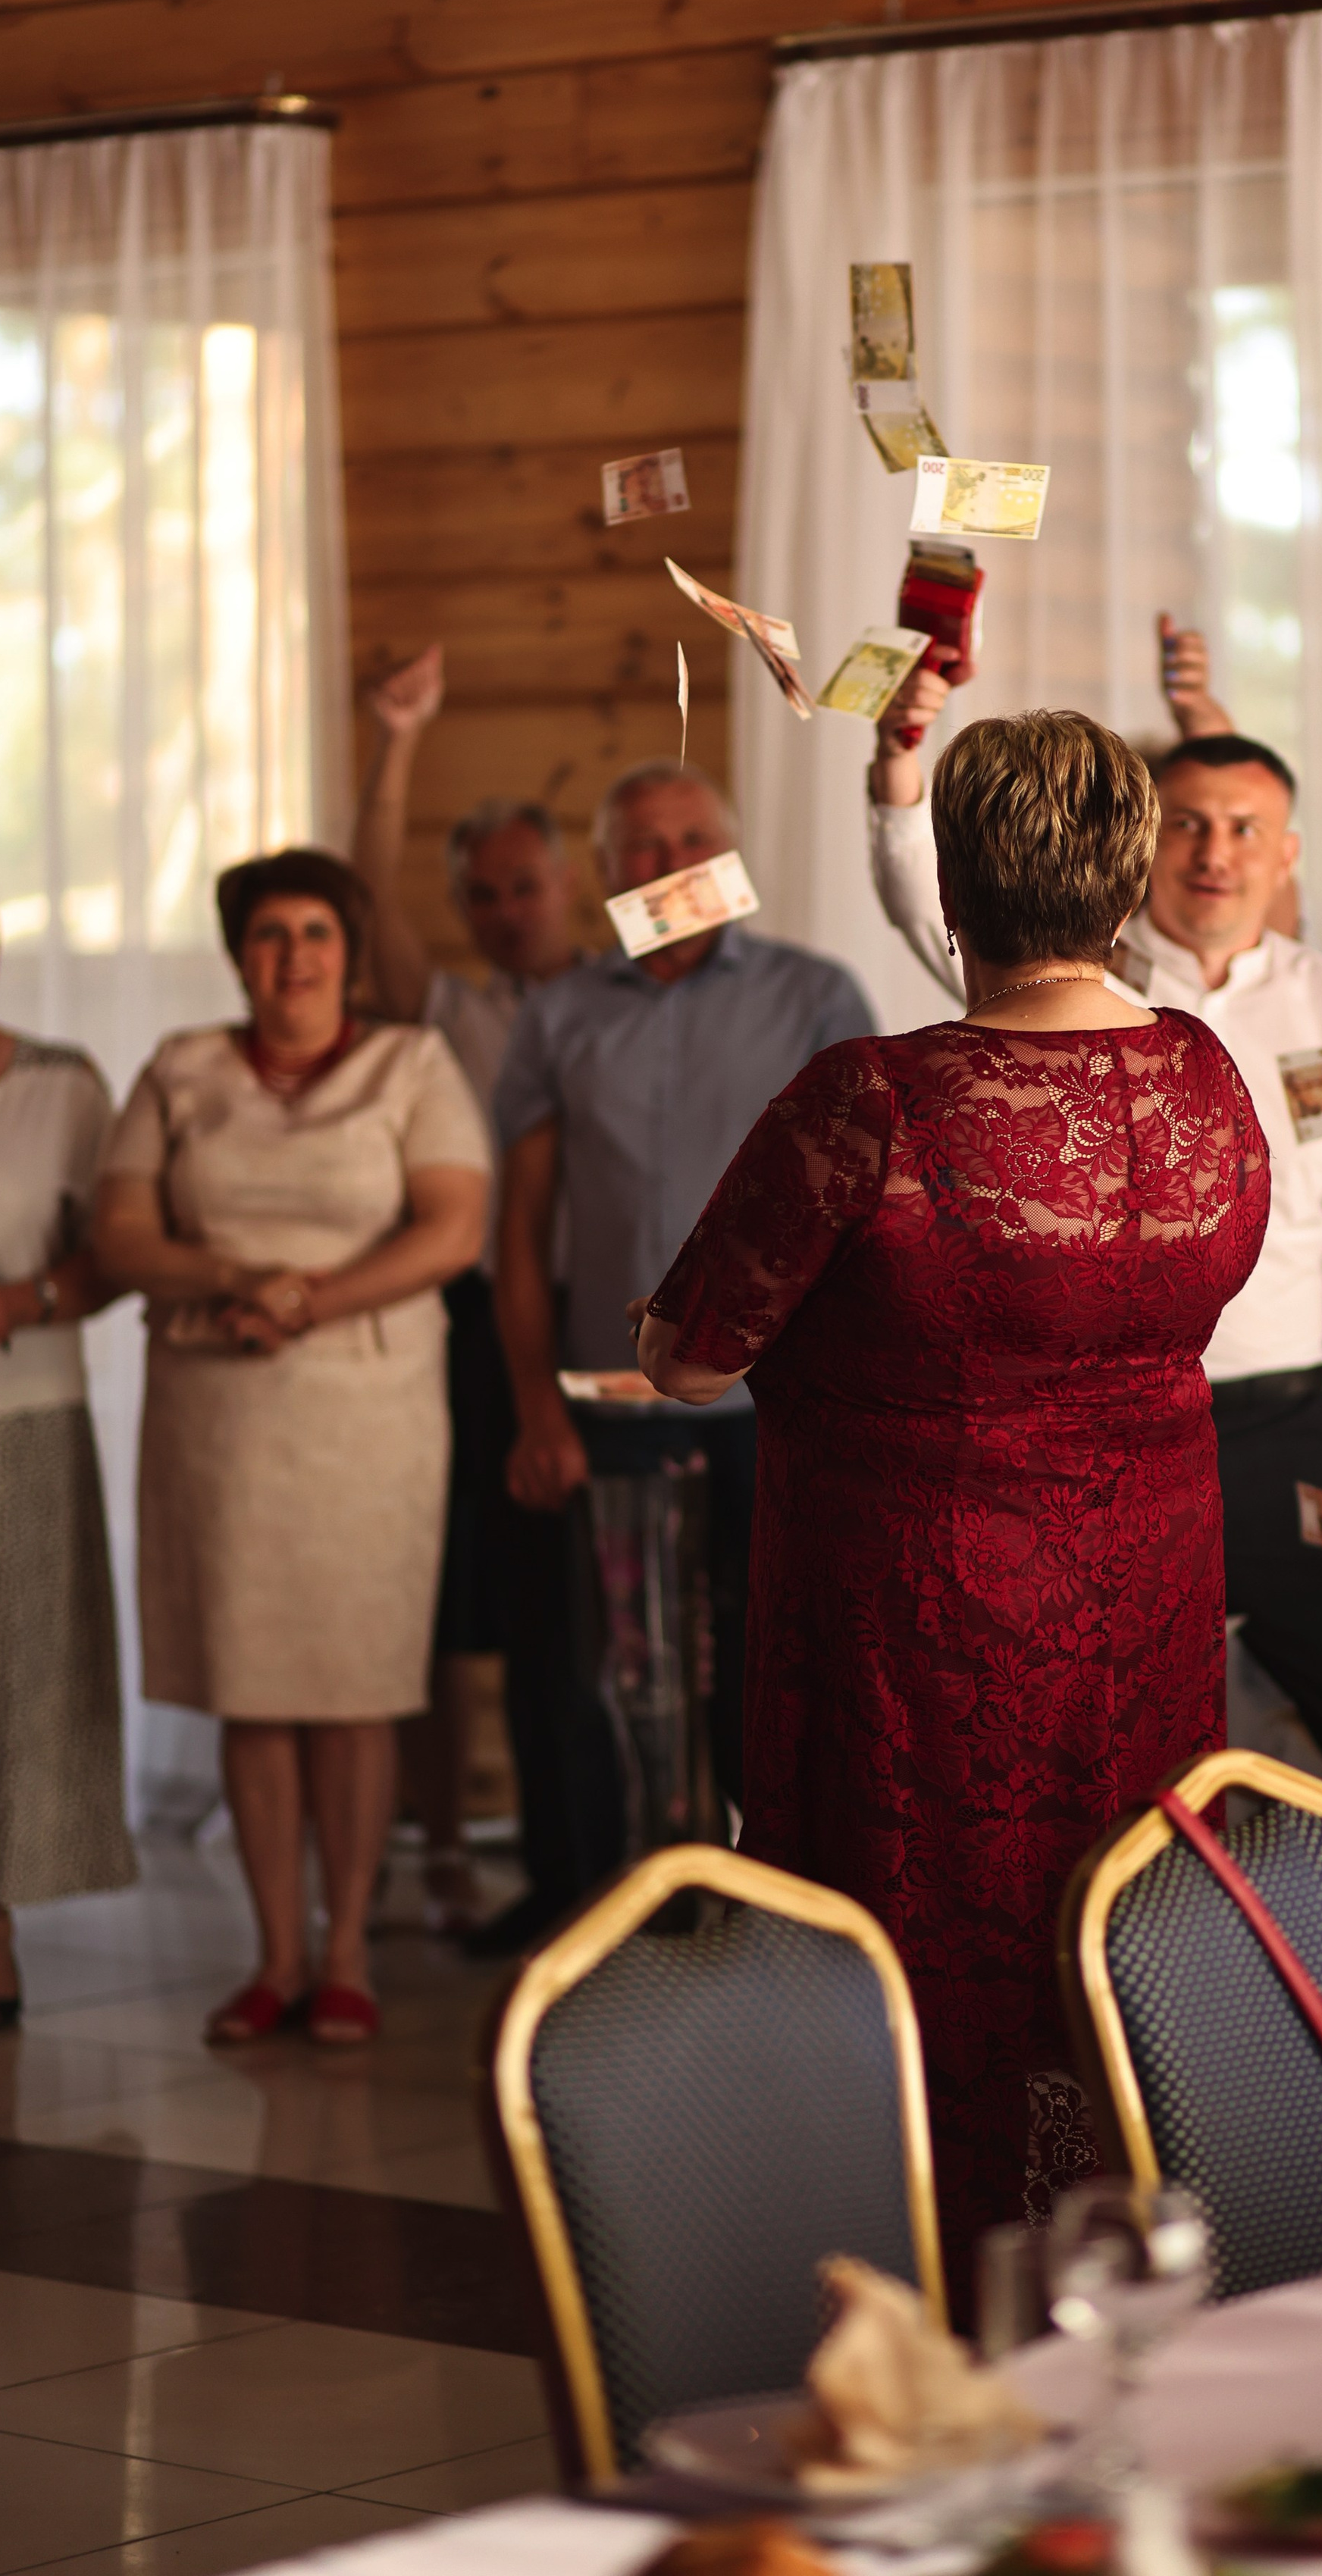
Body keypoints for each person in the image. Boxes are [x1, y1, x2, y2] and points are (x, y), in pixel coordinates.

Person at [869, 636, 1322, 2215]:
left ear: (1288, 856)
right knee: (1085, 1791)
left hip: (1273, 1442)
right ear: (1139, 847)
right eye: (1187, 823)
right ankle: (1110, 2133)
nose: (1215, 852)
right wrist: (901, 772)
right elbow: (924, 901)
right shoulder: (1062, 977)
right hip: (1086, 1450)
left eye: (1247, 827)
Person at [634, 711, 1270, 2303]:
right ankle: (1115, 2289)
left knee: (917, 1951)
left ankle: (899, 2314)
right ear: (1126, 878)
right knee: (1115, 1932)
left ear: (959, 891)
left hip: (919, 1649)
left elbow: (687, 1356)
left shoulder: (876, 1098)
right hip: (1142, 1612)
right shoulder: (1200, 1075)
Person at [92, 848, 490, 2049]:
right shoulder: (181, 1067)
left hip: (364, 1409)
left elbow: (454, 1230)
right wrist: (234, 1277)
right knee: (252, 1687)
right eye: (270, 934)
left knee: (355, 1685)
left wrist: (309, 1299)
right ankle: (272, 1957)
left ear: (349, 949)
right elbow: (119, 1232)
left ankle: (346, 1950)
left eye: (317, 932)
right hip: (220, 1403)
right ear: (237, 953)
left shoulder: (412, 1063)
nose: (295, 956)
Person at [493, 762, 873, 1873]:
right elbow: (521, 1234)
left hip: (779, 1413)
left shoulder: (817, 997)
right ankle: (638, 1926)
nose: (670, 863)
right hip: (607, 1412)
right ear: (606, 870)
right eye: (642, 847)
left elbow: (861, 1210)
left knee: (775, 1679)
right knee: (623, 1682)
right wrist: (533, 1410)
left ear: (732, 854)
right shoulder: (557, 1016)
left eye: (693, 838)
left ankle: (776, 1918)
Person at [352, 644, 584, 1945]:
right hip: (471, 1332)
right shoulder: (450, 1011)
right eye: (483, 894)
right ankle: (448, 1850)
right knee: (456, 1602)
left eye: (524, 887)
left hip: (599, 1322)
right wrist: (397, 743)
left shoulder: (616, 1002)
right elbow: (359, 898)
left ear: (565, 886)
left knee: (582, 1616)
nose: (505, 909)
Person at [0, 858, 135, 2027]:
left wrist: (26, 1302)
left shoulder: (63, 1086)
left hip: (22, 1419)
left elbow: (119, 1253)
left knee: (13, 1676)